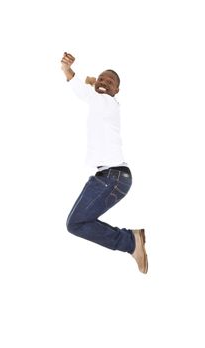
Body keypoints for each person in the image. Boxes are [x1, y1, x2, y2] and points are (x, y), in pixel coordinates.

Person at [61, 52, 148, 274]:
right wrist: (93, 82)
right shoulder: (105, 103)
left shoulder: (105, 102)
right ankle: (131, 240)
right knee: (75, 223)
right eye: (102, 78)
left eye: (110, 82)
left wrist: (67, 71)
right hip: (110, 176)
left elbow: (84, 92)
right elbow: (93, 88)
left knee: (75, 224)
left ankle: (130, 241)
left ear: (116, 91)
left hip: (113, 178)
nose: (104, 82)